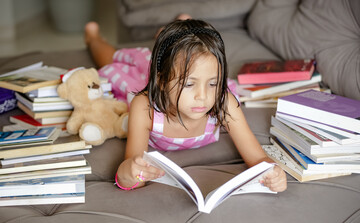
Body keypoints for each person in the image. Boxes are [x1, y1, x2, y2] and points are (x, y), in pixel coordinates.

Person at [84, 18, 287, 192]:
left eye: (213, 83)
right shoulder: (144, 107)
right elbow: (131, 170)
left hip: (172, 71)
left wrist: (274, 172)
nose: (202, 96)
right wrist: (130, 174)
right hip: (147, 81)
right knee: (116, 63)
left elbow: (258, 159)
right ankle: (93, 38)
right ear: (162, 82)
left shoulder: (223, 101)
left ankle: (180, 28)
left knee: (188, 58)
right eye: (189, 84)